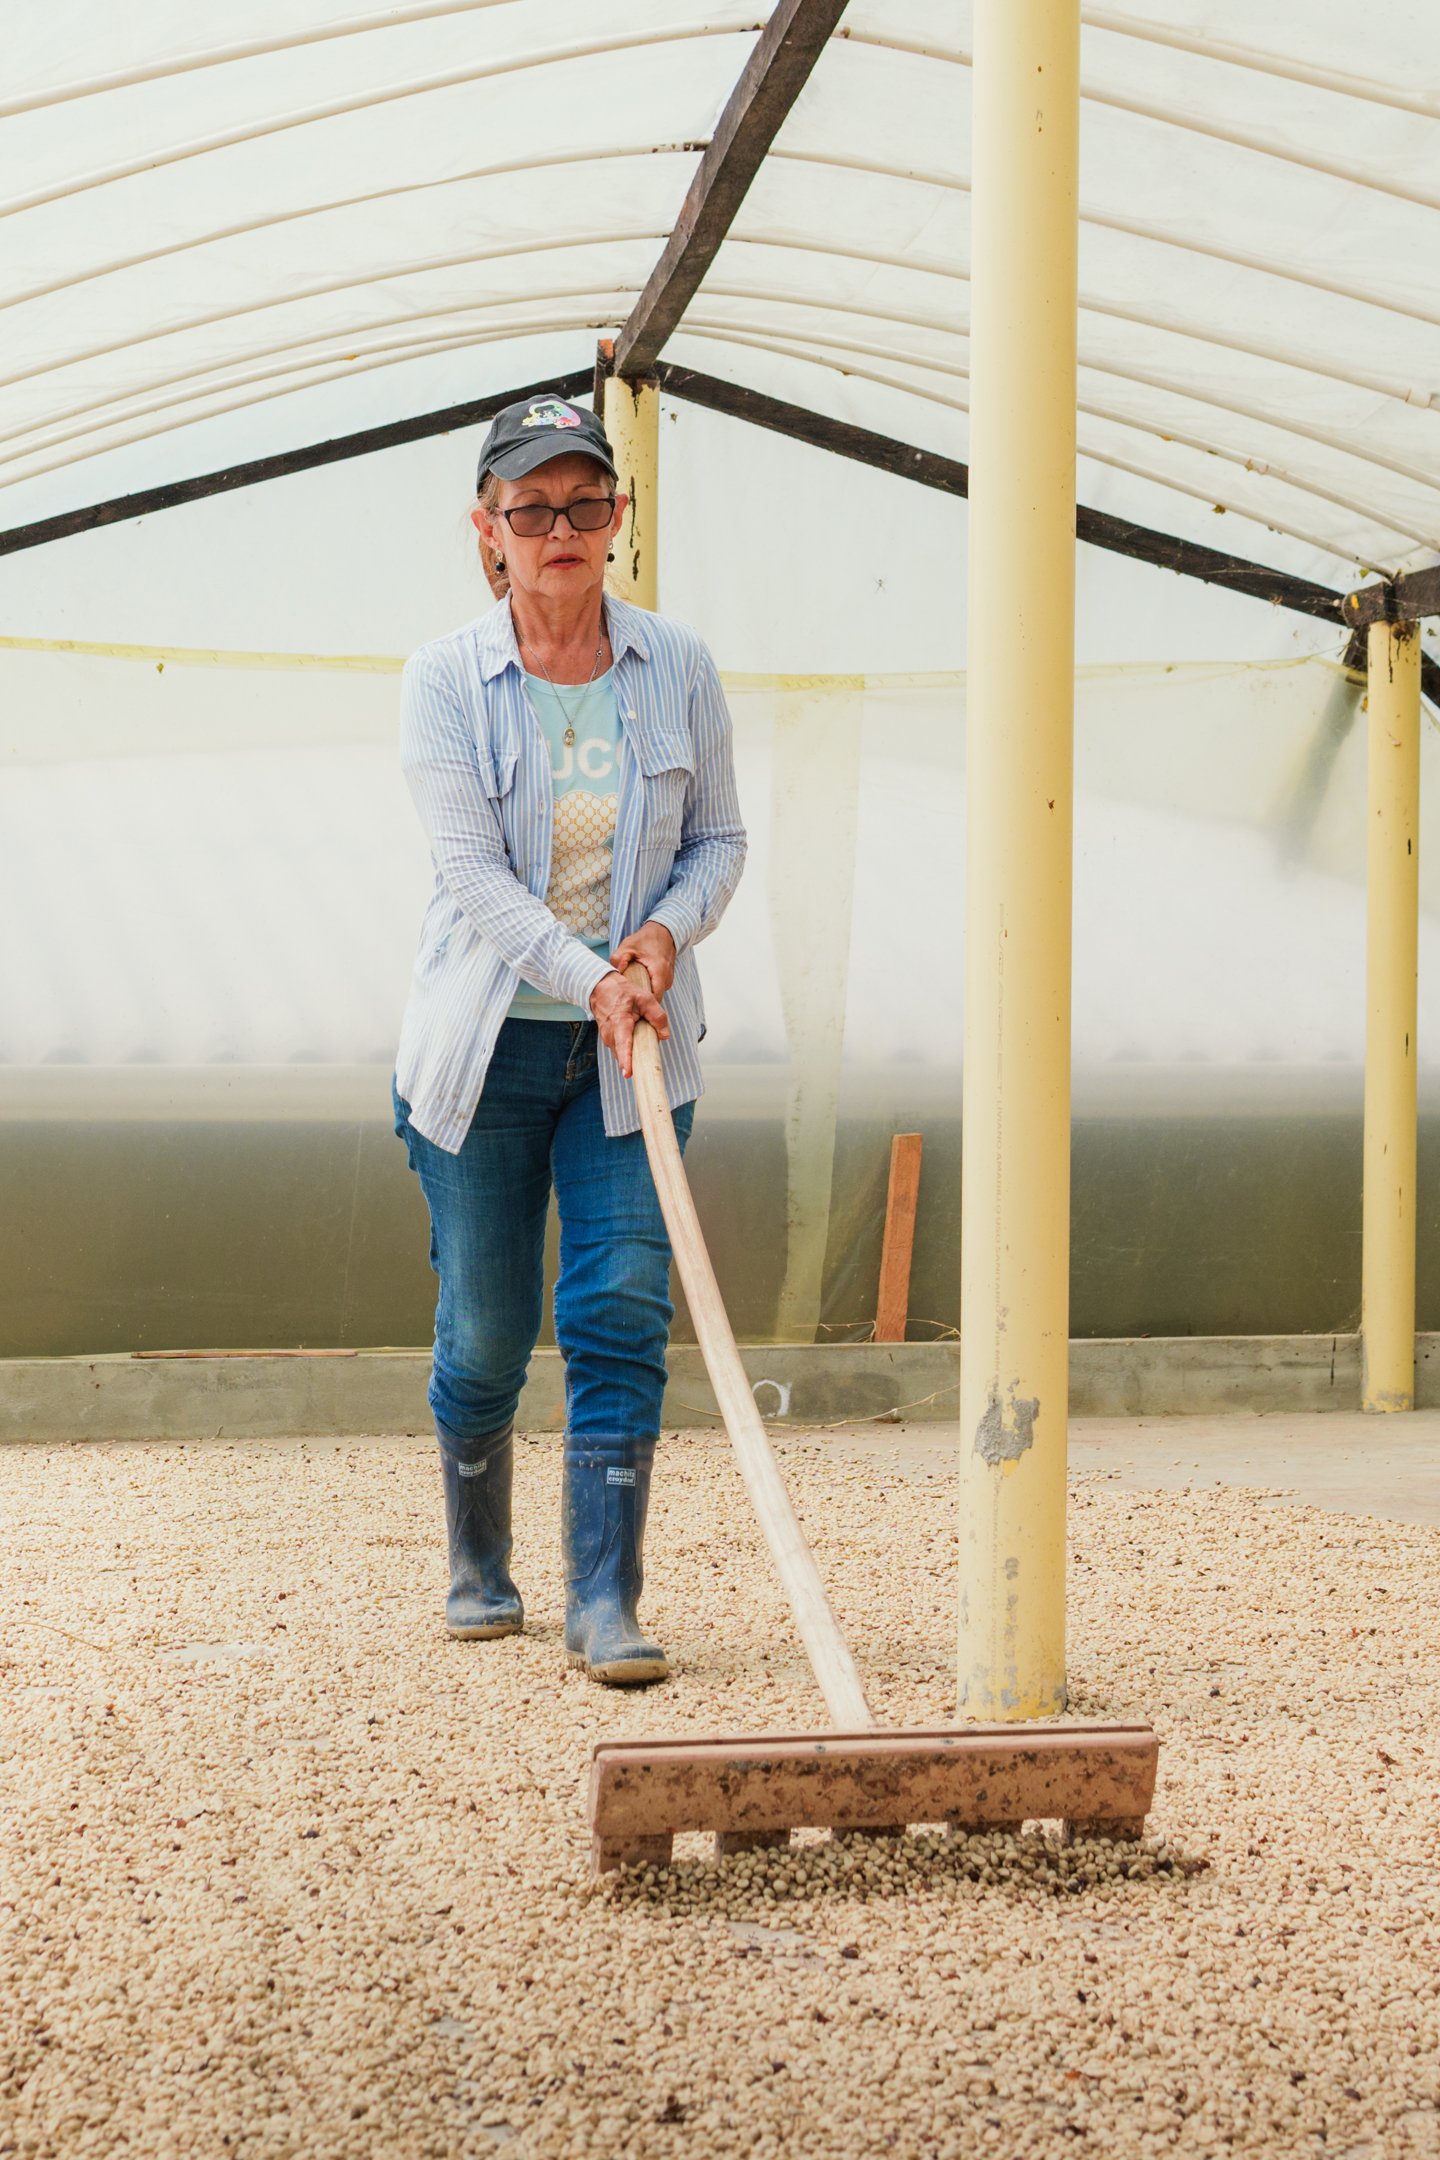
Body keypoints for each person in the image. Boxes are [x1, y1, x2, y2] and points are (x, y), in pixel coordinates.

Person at [392, 391, 746, 1685]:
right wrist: (590, 970)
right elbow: (475, 877)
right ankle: (479, 1562)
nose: (559, 529)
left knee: (616, 1309)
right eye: (530, 508)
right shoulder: (446, 681)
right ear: (487, 530)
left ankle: (606, 1598)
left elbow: (721, 839)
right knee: (486, 1332)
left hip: (632, 1056)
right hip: (481, 1060)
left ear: (618, 518)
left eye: (583, 503)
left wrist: (663, 942)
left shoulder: (678, 668)